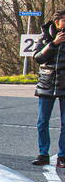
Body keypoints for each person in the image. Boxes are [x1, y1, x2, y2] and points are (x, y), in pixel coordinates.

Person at [32, 10, 65, 166]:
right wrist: (53, 44)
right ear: (57, 22)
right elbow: (38, 57)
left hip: (64, 84)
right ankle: (43, 154)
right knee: (42, 121)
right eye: (64, 20)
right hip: (46, 83)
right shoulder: (45, 36)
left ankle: (62, 156)